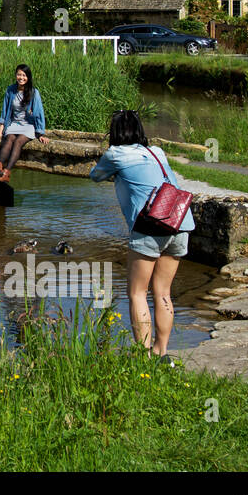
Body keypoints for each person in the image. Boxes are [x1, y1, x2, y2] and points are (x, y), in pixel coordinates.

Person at [89, 109, 195, 362]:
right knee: (163, 293)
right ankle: (163, 352)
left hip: (150, 225)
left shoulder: (115, 154)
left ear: (114, 132)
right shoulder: (156, 151)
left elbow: (95, 176)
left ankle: (143, 357)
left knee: (137, 293)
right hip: (179, 221)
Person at [0, 63, 49, 181]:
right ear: (15, 75)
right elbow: (5, 112)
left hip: (28, 125)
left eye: (24, 75)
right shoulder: (10, 90)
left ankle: (6, 173)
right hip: (13, 123)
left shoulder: (34, 92)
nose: (21, 78)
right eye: (19, 75)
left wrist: (40, 133)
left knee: (18, 142)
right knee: (9, 138)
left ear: (28, 77)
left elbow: (39, 114)